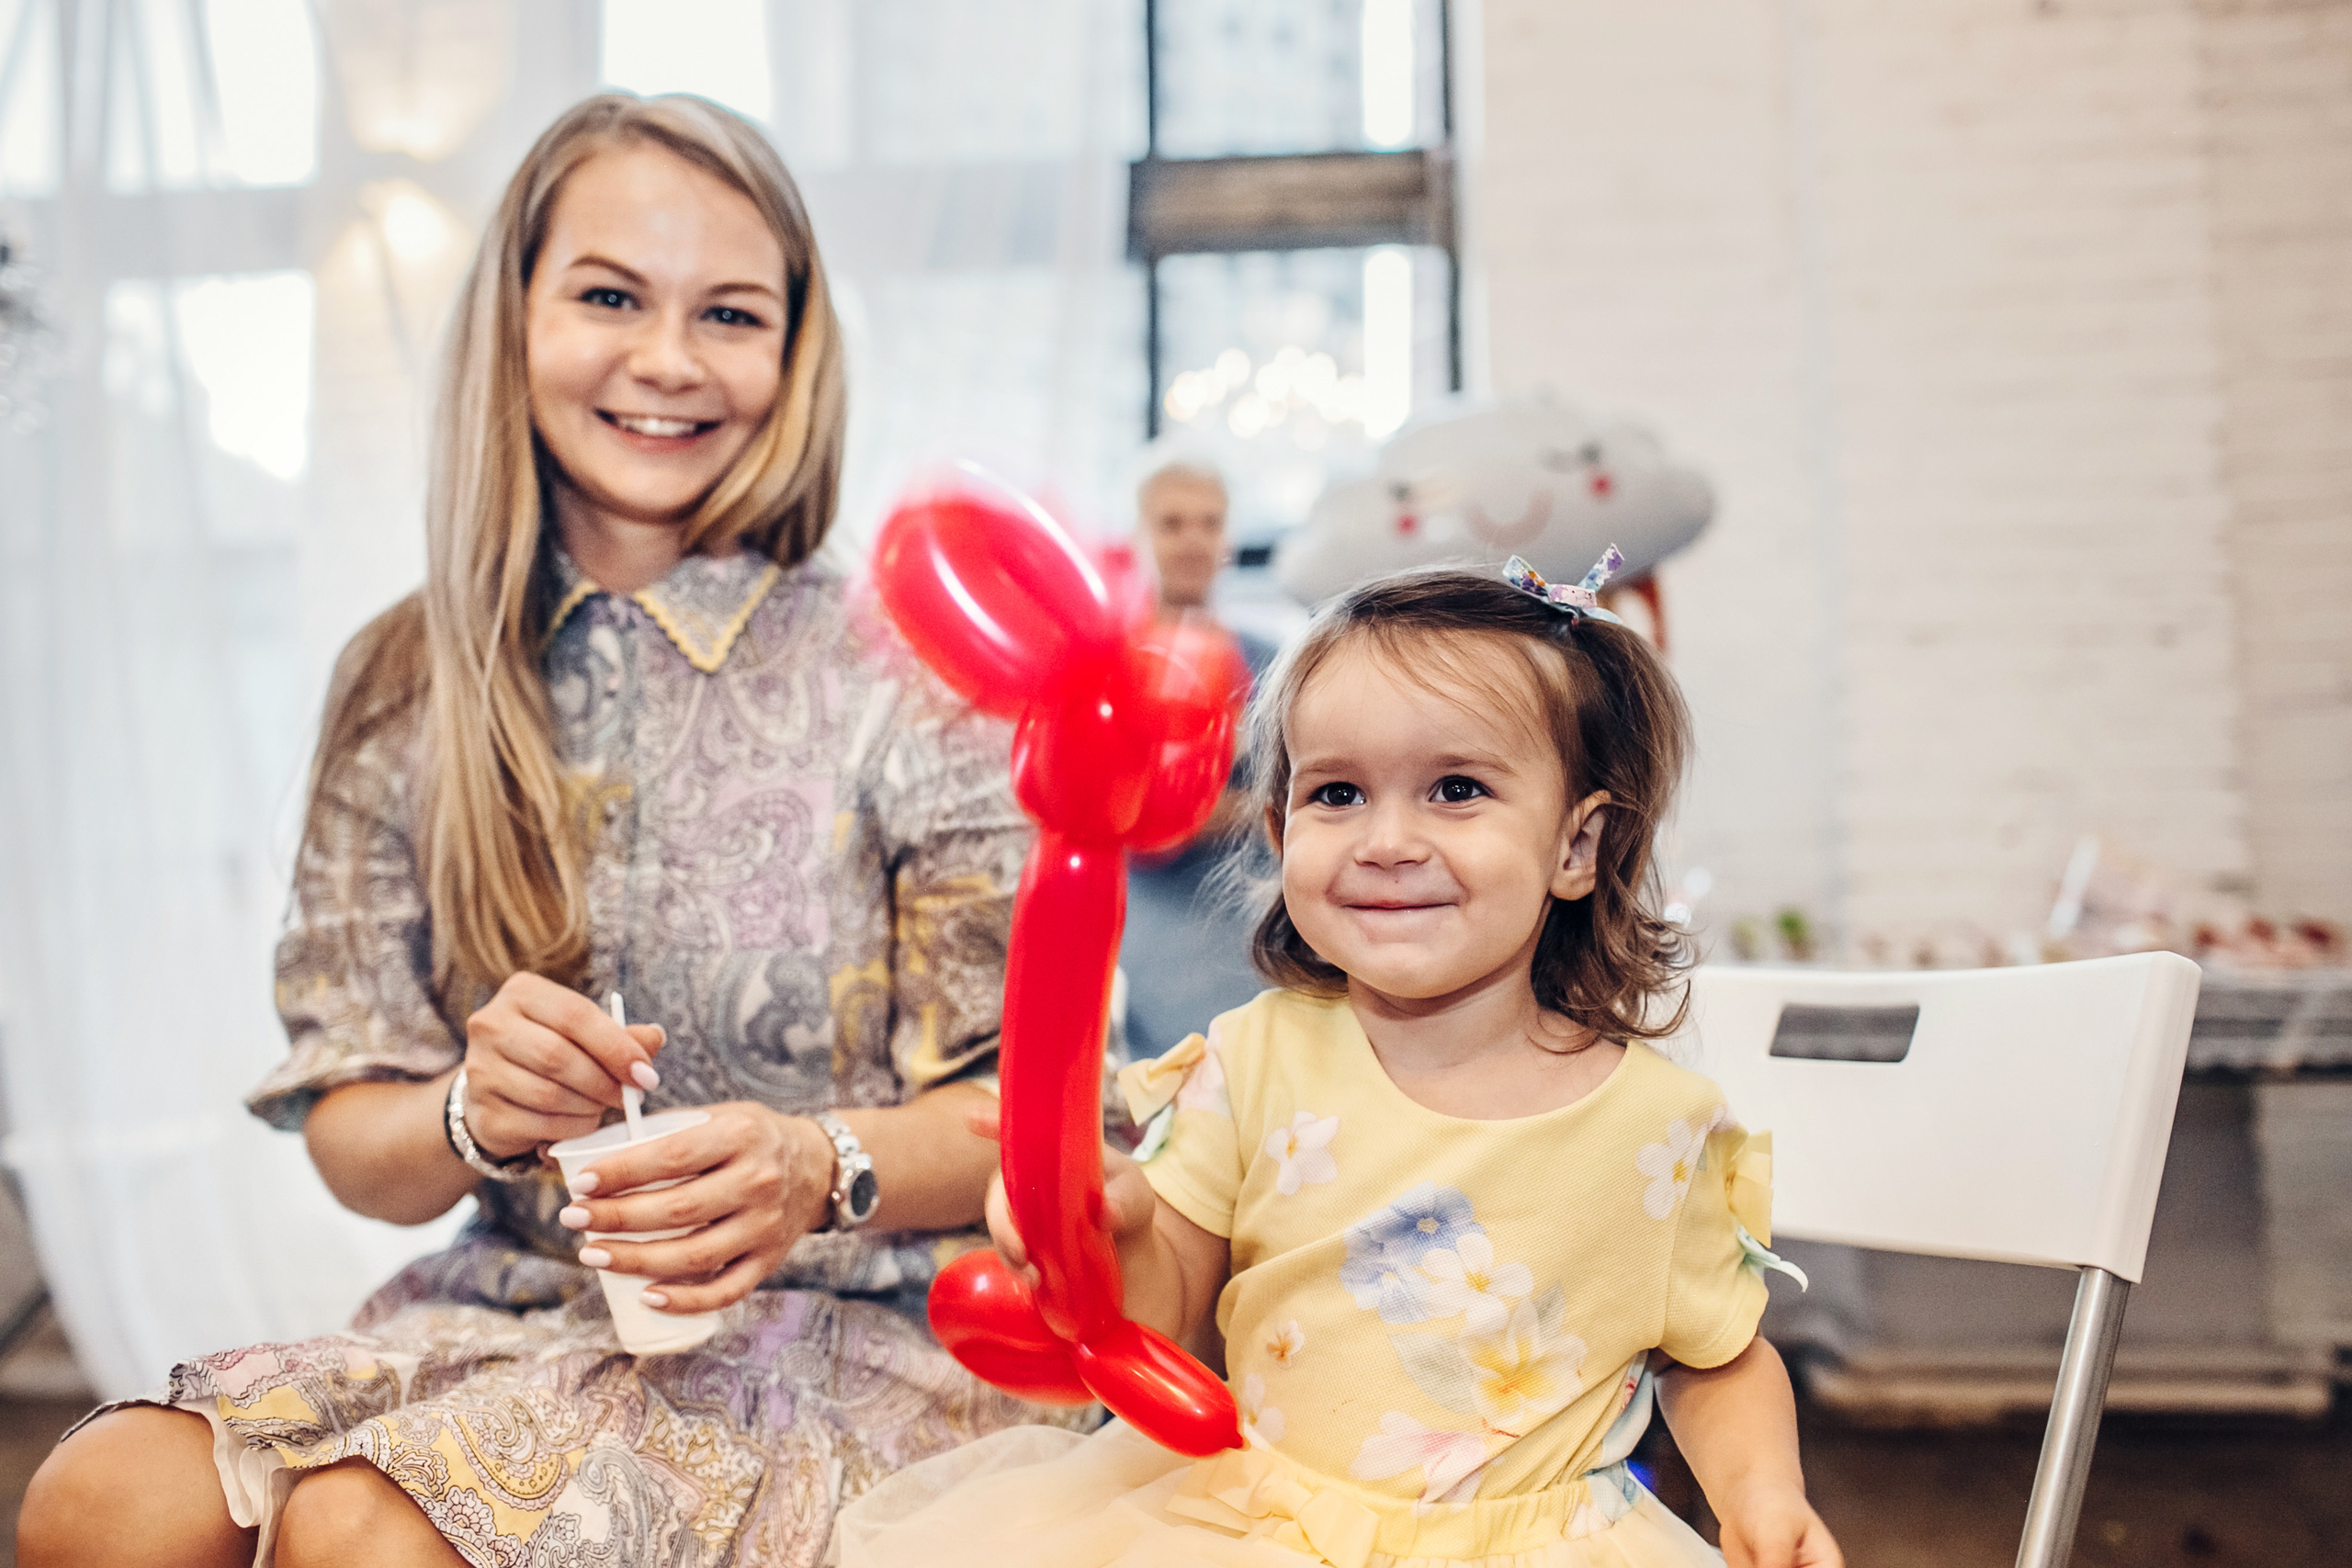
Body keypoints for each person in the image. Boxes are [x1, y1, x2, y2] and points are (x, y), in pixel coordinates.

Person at [19, 95, 1076, 1568]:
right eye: (609, 296)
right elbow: (355, 1130)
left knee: (360, 1531)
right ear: (515, 319)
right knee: (96, 1499)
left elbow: (1041, 1114)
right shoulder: (404, 679)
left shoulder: (914, 670)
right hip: (514, 1306)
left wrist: (814, 1158)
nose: (668, 358)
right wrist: (469, 1108)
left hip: (859, 1321)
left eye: (729, 312)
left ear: (795, 352)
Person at [833, 564, 1841, 1567]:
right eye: (1338, 793)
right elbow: (1167, 1315)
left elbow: (1714, 1358)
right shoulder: (1253, 1061)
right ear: (1281, 833)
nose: (1387, 840)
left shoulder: (1660, 1129)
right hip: (1257, 1529)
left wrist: (1763, 1494)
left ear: (1577, 845)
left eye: (1457, 789)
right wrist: (1111, 1227)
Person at [1121, 459, 1279, 1061]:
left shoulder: (1270, 661)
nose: (1192, 540)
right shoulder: (1107, 667)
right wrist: (1247, 807)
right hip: (1152, 937)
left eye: (1209, 523)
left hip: (1255, 932)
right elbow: (1121, 811)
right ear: (1138, 534)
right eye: (1172, 523)